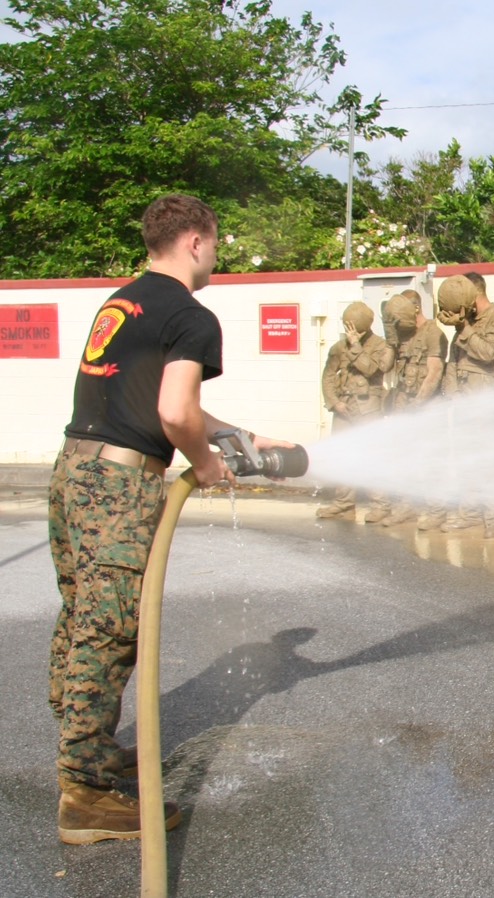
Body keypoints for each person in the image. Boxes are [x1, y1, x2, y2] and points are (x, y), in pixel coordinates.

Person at [48, 194, 292, 844]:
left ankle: (87, 747)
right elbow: (176, 413)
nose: (216, 254)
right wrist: (204, 465)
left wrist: (242, 437)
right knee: (108, 631)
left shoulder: (123, 301)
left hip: (76, 468)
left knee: (81, 617)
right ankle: (85, 795)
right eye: (215, 242)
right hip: (121, 485)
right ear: (194, 242)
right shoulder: (191, 314)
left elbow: (156, 397)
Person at [437, 273, 494, 536]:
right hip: (464, 403)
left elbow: (488, 353)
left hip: (487, 403)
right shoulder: (464, 322)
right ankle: (470, 513)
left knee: (490, 461)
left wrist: (465, 329)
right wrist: (453, 394)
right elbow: (453, 361)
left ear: (474, 294)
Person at [314, 302, 395, 521]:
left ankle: (380, 505)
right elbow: (328, 376)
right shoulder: (338, 348)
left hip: (369, 409)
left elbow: (371, 369)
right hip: (344, 409)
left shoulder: (381, 345)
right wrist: (334, 402)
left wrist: (356, 346)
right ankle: (344, 503)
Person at [377, 291, 445, 527]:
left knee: (429, 459)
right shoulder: (401, 335)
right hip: (403, 402)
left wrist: (418, 404)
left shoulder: (433, 332)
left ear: (416, 308)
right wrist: (390, 340)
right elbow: (384, 366)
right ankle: (407, 506)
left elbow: (434, 372)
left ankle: (436, 511)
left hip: (426, 407)